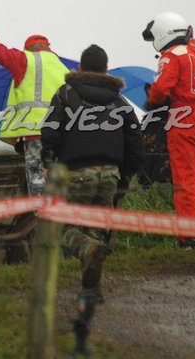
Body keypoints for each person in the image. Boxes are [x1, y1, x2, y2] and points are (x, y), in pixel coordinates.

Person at [41, 44, 144, 301]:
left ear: (81, 68)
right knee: (96, 232)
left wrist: (47, 161)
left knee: (64, 229)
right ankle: (91, 290)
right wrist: (125, 175)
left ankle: (87, 254)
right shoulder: (120, 101)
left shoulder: (65, 94)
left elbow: (50, 131)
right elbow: (135, 141)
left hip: (75, 172)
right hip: (109, 174)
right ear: (106, 69)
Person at [0, 3, 69, 195]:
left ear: (28, 49)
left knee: (38, 183)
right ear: (48, 49)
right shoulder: (63, 69)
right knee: (59, 185)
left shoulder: (24, 60)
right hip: (62, 138)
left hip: (34, 134)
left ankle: (42, 218)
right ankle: (62, 220)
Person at [142, 12, 195, 249]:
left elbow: (161, 88)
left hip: (184, 117)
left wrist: (152, 101)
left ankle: (190, 237)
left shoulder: (172, 55)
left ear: (164, 33)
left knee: (185, 179)